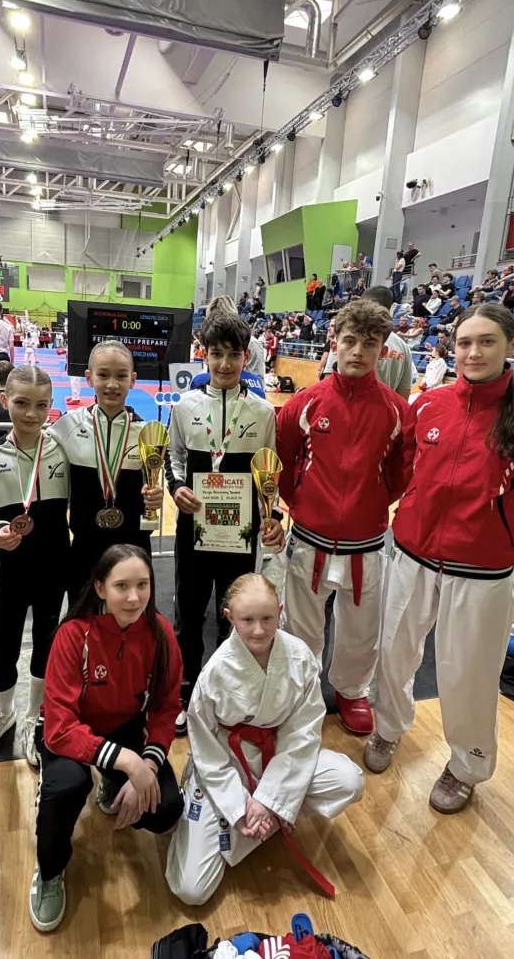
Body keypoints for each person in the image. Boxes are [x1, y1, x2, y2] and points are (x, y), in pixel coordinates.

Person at [366, 304, 514, 813]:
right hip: (411, 556)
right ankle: (388, 728)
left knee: (468, 674)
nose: (473, 353)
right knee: (393, 653)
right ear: (451, 347)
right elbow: (411, 470)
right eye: (464, 343)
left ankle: (466, 766)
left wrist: (500, 545)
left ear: (512, 347)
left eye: (486, 342)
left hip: (482, 571)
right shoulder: (429, 405)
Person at [165, 573, 364, 905]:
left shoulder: (299, 658)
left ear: (280, 612)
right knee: (191, 891)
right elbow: (206, 753)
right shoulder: (215, 673)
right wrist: (240, 808)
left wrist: (269, 799)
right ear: (229, 618)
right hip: (228, 766)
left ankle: (266, 818)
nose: (258, 629)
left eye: (267, 618)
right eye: (247, 620)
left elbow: (302, 735)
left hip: (279, 757)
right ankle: (254, 822)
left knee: (348, 780)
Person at [30, 545, 183, 932]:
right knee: (67, 787)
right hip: (67, 734)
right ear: (100, 588)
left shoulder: (161, 634)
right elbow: (60, 728)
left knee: (165, 808)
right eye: (121, 586)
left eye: (143, 585)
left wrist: (147, 763)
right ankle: (49, 871)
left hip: (124, 729)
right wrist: (129, 762)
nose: (134, 597)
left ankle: (110, 785)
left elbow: (166, 710)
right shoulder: (72, 635)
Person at [276, 300, 411, 736]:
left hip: (366, 542)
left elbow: (398, 476)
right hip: (309, 537)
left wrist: (368, 506)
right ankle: (301, 690)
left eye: (368, 344)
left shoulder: (395, 410)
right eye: (349, 341)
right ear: (334, 342)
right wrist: (301, 502)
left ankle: (353, 691)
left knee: (361, 628)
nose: (356, 352)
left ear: (382, 350)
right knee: (301, 625)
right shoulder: (305, 403)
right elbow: (284, 462)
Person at [166, 314, 284, 736]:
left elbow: (268, 474)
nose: (225, 364)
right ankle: (187, 690)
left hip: (239, 533)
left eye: (234, 355)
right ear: (205, 354)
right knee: (190, 612)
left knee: (234, 614)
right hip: (195, 528)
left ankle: (229, 688)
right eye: (217, 354)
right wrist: (176, 487)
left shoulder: (263, 412)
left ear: (245, 356)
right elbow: (173, 456)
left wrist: (273, 515)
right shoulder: (185, 406)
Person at [0, 367, 69, 767]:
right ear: (5, 401)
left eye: (41, 405)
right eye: (22, 403)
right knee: (4, 650)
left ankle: (32, 718)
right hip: (9, 573)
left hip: (54, 569)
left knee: (46, 646)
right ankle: (4, 712)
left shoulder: (61, 449)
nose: (31, 413)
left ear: (50, 406)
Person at [48, 340, 164, 605]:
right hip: (85, 547)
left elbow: (153, 487)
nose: (112, 384)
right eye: (103, 375)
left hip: (133, 549)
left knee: (131, 621)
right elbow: (36, 456)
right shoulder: (67, 426)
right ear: (89, 378)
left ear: (133, 380)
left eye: (121, 376)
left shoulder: (147, 434)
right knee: (82, 621)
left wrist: (156, 497)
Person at [359, 286, 413, 401]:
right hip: (388, 414)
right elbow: (403, 395)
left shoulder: (351, 340)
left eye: (360, 304)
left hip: (355, 415)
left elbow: (330, 384)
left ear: (371, 304)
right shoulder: (403, 346)